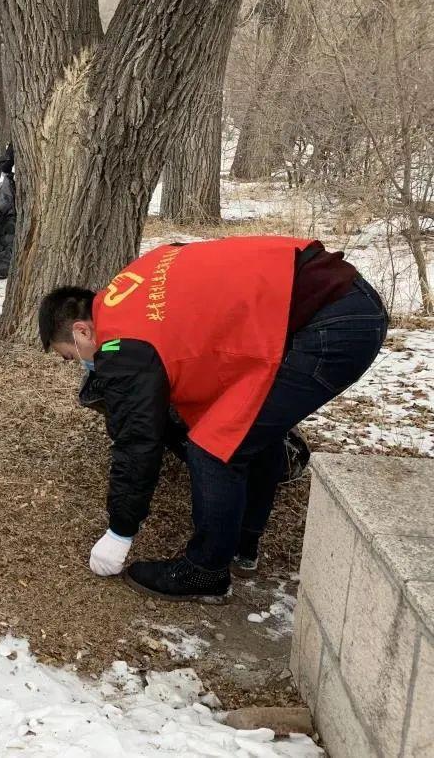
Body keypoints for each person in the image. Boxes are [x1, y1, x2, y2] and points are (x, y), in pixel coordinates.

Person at [39, 236, 387, 603]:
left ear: (81, 331)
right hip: (336, 297)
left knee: (215, 445)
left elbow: (138, 440)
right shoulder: (132, 281)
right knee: (249, 431)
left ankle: (206, 571)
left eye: (70, 356)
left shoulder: (121, 344)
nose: (81, 364)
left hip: (329, 323)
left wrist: (120, 532)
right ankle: (242, 545)